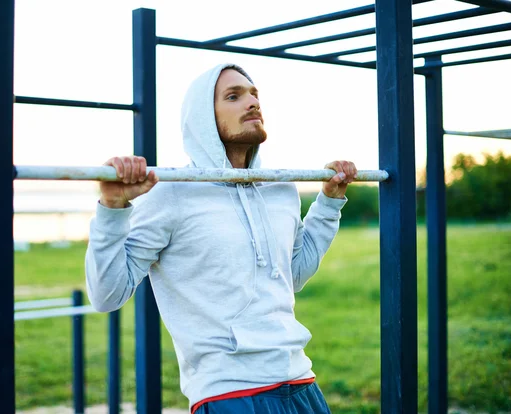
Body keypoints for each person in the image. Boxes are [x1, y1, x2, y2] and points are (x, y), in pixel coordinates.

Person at [85, 63, 357, 414]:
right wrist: (112, 206)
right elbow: (107, 295)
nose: (253, 103)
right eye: (234, 96)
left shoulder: (281, 187)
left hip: (302, 381)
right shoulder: (171, 193)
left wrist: (329, 203)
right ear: (203, 118)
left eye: (254, 94)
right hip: (229, 394)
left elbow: (295, 275)